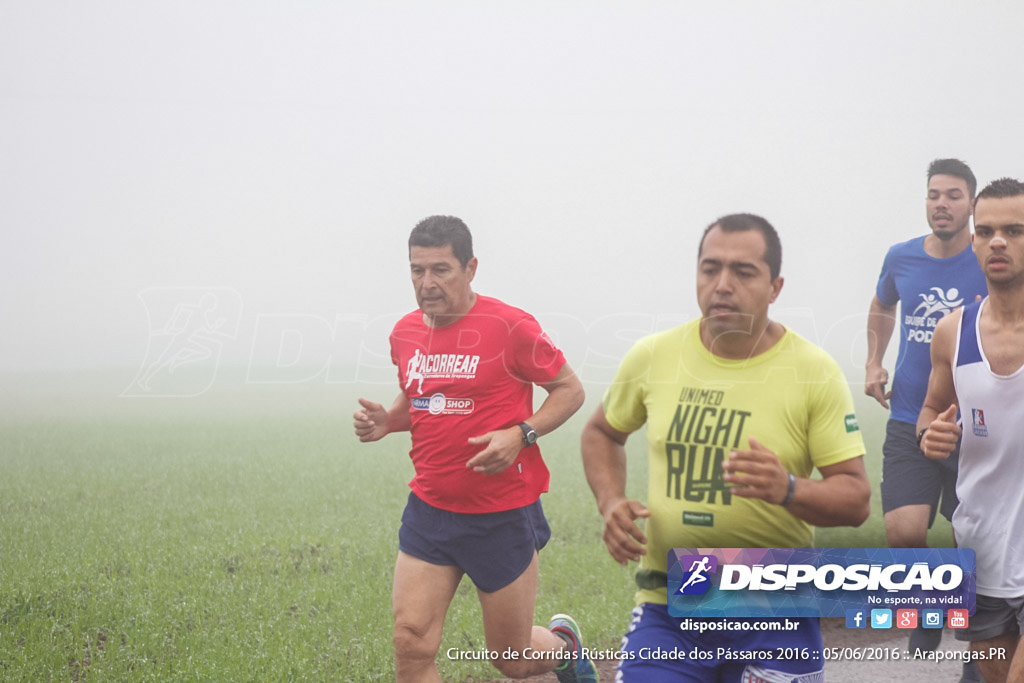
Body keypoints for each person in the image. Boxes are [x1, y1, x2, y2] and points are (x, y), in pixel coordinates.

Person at [581, 213, 871, 682]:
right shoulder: (653, 356)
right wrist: (610, 499)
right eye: (710, 268)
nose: (722, 285)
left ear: (775, 287)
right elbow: (603, 432)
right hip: (670, 604)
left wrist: (789, 489)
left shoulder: (813, 372)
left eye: (743, 272)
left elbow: (856, 499)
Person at [353, 215, 595, 682]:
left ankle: (564, 649)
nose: (427, 283)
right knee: (410, 642)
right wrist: (390, 419)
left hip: (500, 514)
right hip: (430, 509)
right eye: (417, 270)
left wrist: (521, 433)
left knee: (513, 658)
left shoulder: (511, 326)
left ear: (470, 268)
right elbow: (423, 397)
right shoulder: (404, 333)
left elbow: (570, 390)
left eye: (440, 269)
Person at [919, 177, 1024, 683]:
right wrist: (929, 435)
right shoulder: (952, 332)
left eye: (1015, 230)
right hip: (982, 556)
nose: (998, 241)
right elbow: (931, 411)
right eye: (986, 231)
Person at [865, 158, 986, 551]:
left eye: (953, 195)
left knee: (967, 540)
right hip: (908, 416)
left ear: (971, 204)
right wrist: (873, 361)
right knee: (904, 534)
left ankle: (963, 611)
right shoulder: (901, 257)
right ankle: (918, 610)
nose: (941, 203)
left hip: (974, 425)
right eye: (934, 195)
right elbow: (883, 303)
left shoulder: (990, 259)